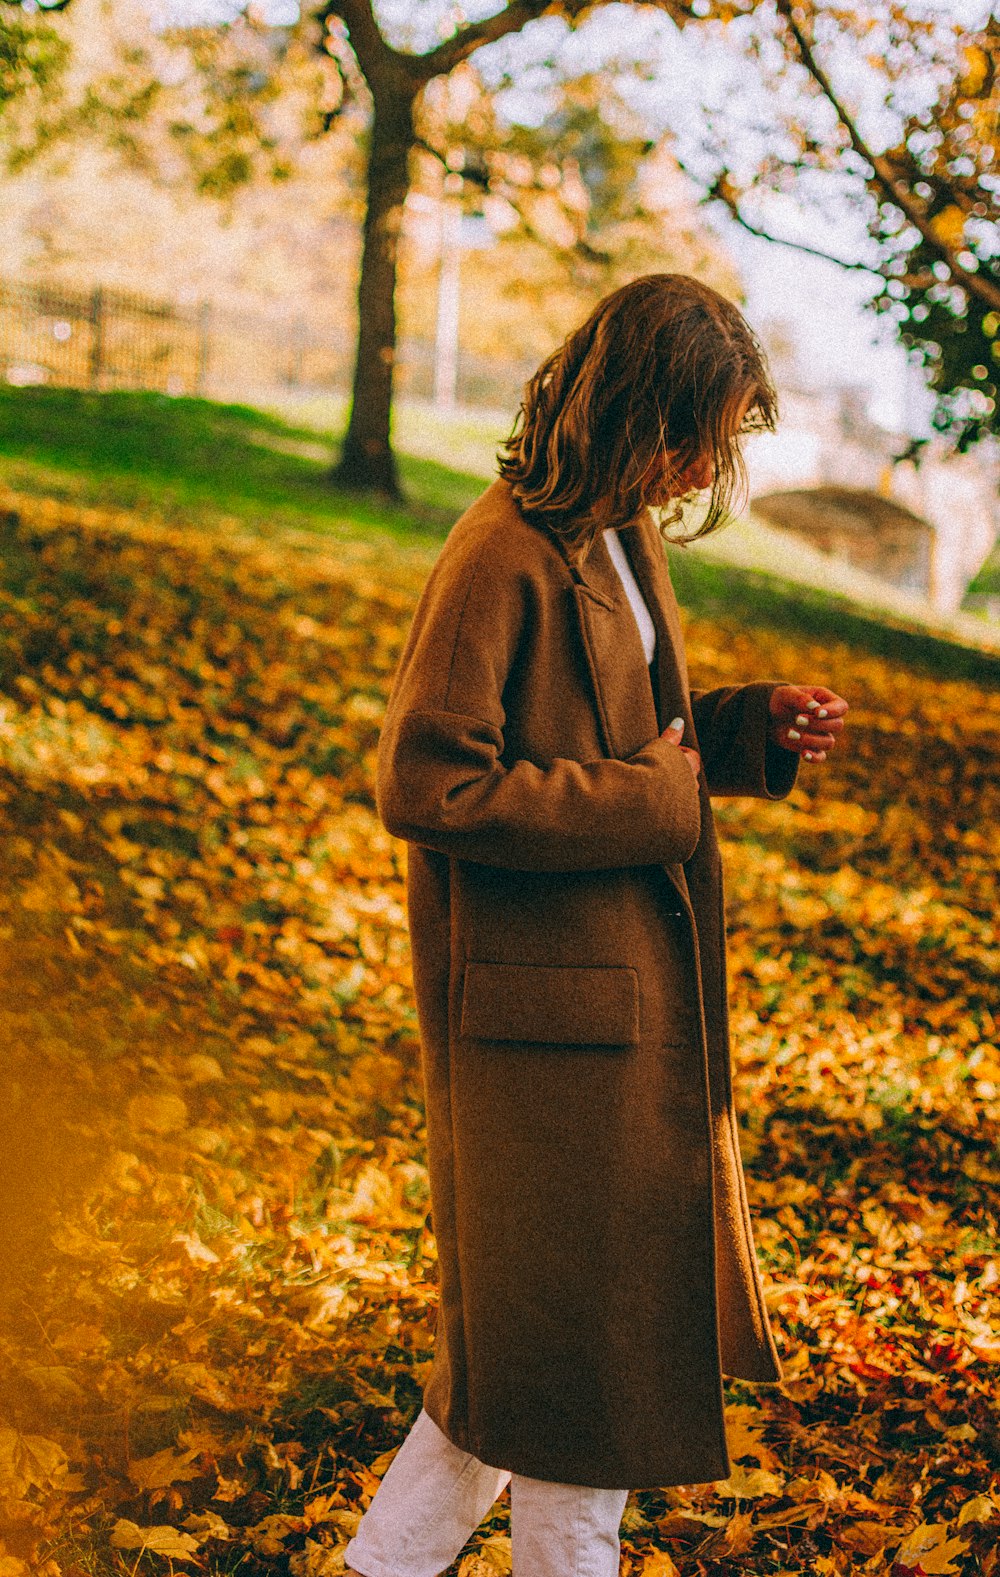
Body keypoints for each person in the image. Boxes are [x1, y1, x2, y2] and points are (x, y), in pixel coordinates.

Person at [346, 273, 848, 1577]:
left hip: (626, 1017)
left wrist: (745, 730)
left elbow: (634, 736)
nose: (709, 462)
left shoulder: (622, 537)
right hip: (537, 1038)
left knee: (526, 1368)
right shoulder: (498, 551)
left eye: (726, 439)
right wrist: (657, 798)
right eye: (700, 433)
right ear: (634, 412)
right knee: (579, 1378)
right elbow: (427, 782)